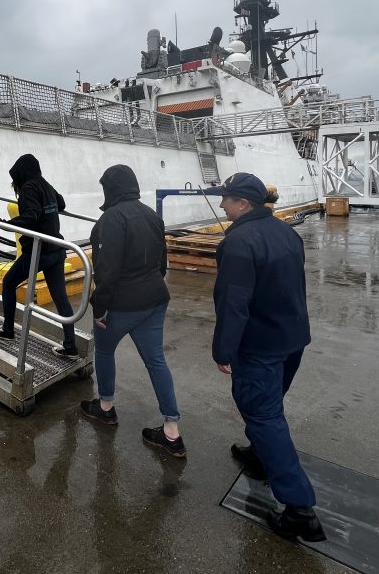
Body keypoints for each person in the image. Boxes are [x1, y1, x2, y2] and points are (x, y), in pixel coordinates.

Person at [202, 172, 325, 542]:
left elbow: (233, 303)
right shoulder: (287, 233)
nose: (222, 204)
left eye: (227, 198)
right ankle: (259, 455)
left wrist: (223, 350)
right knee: (270, 407)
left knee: (263, 413)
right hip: (292, 340)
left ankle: (299, 509)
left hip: (260, 347)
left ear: (243, 204)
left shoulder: (238, 242)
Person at [79, 164, 184, 458]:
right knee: (156, 361)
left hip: (122, 303)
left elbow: (107, 272)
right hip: (155, 298)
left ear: (109, 188)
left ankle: (106, 408)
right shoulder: (152, 214)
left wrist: (99, 309)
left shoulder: (110, 219)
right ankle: (172, 432)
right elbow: (162, 264)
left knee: (104, 351)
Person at [0, 154, 77, 358]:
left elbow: (31, 217)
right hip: (56, 248)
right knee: (61, 298)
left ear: (21, 173)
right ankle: (70, 346)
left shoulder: (28, 188)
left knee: (9, 282)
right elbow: (61, 204)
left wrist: (3, 222)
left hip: (40, 250)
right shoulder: (45, 184)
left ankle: (8, 330)